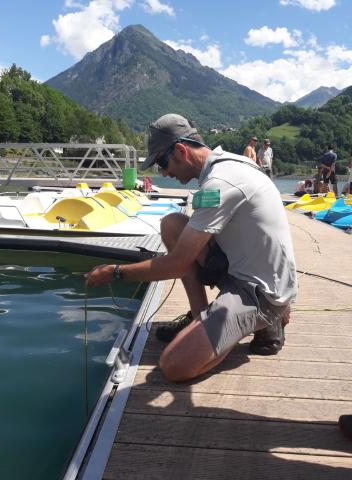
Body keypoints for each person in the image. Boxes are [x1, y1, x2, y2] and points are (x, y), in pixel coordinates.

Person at [86, 114, 297, 382]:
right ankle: (203, 318)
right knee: (172, 224)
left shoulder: (220, 183)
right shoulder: (226, 164)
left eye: (163, 162)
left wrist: (114, 272)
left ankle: (265, 320)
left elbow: (175, 263)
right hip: (243, 268)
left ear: (181, 150)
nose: (163, 172)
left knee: (174, 365)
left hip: (260, 292)